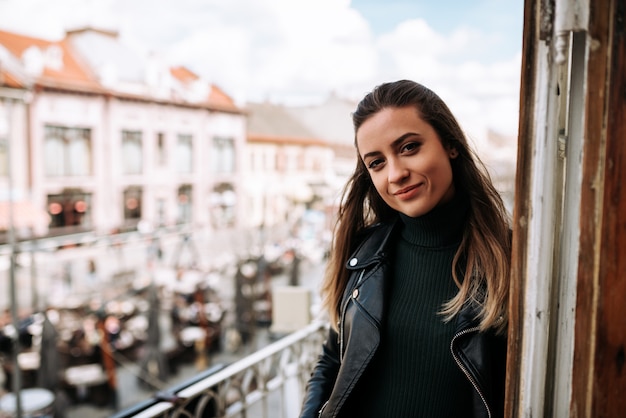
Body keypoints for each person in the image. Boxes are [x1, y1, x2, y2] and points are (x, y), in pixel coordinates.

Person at [299, 80, 511, 418]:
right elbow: (334, 357)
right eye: (377, 163)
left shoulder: (509, 260)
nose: (396, 173)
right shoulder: (365, 253)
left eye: (410, 147)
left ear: (450, 145)